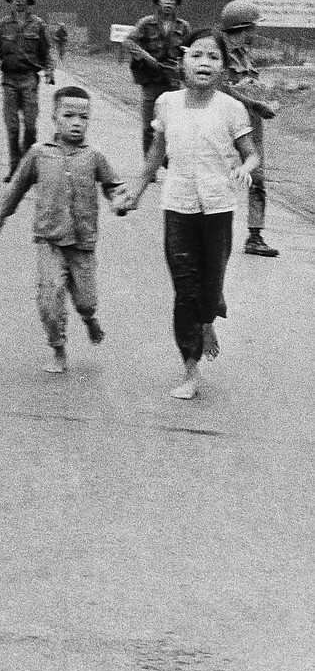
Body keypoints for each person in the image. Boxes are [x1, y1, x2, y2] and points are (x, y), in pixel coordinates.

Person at [122, 29, 259, 400]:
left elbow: (251, 151)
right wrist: (136, 189)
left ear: (224, 67)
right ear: (183, 61)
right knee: (185, 287)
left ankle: (208, 319)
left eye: (213, 57)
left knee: (211, 284)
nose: (204, 63)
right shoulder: (166, 103)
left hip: (218, 207)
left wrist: (246, 166)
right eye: (197, 55)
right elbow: (155, 154)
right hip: (178, 205)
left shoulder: (232, 108)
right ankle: (190, 367)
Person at [0, 86, 126, 373]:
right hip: (49, 239)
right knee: (50, 298)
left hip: (83, 242)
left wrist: (119, 201)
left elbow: (112, 185)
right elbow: (16, 187)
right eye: (69, 115)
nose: (77, 122)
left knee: (86, 300)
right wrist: (1, 217)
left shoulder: (94, 155)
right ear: (54, 117)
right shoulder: (38, 154)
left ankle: (89, 319)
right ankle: (59, 348)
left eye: (84, 117)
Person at [218, 0, 281, 257]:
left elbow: (248, 84)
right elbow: (222, 88)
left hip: (252, 126)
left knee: (258, 180)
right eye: (253, 27)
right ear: (242, 27)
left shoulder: (244, 53)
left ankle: (255, 237)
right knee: (219, 178)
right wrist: (256, 103)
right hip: (227, 125)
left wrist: (265, 102)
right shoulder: (218, 52)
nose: (255, 32)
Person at [0, 0, 56, 183]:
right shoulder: (2, 26)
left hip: (29, 80)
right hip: (9, 80)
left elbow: (46, 54)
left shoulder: (38, 25)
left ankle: (28, 168)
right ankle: (15, 168)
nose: (18, 1)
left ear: (29, 1)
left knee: (31, 127)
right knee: (13, 127)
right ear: (10, 1)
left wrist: (49, 71)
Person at [124, 0, 192, 161]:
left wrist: (183, 68)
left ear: (177, 3)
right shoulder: (146, 23)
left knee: (173, 124)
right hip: (151, 80)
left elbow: (190, 51)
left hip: (172, 81)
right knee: (148, 126)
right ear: (157, 1)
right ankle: (149, 163)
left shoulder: (183, 27)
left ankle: (169, 159)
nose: (168, 2)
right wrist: (148, 58)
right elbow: (129, 42)